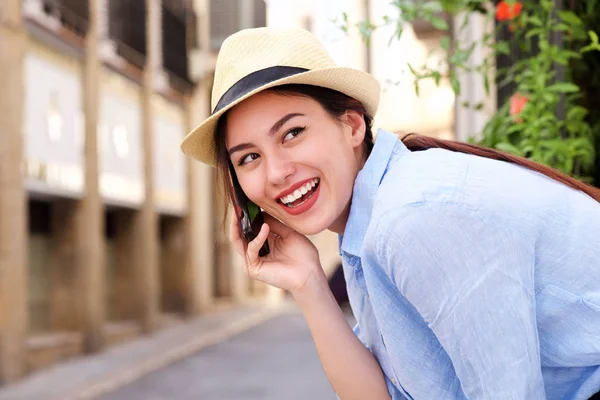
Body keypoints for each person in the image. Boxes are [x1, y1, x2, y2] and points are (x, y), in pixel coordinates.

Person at [180, 27, 600, 400]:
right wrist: (308, 283)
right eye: (249, 157)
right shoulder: (369, 228)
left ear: (351, 126)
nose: (275, 173)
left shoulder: (412, 218)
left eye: (292, 133)